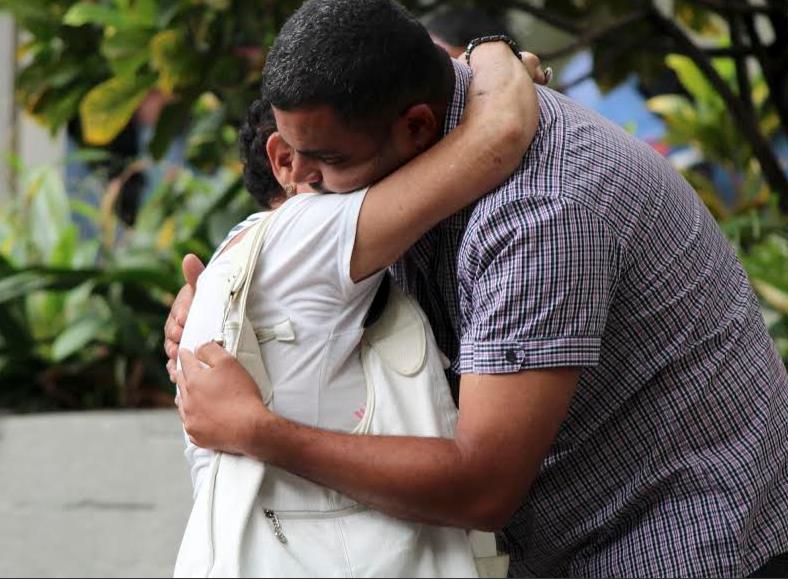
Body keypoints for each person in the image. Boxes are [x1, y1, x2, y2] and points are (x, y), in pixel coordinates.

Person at [166, 0, 788, 576]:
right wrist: (235, 301)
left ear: (418, 127)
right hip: (571, 529)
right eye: (286, 151)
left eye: (328, 161)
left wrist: (258, 431)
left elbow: (482, 481)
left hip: (689, 536)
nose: (300, 183)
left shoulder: (539, 213)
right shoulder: (429, 99)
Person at [173, 41, 545, 577]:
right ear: (289, 163)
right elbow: (498, 135)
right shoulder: (316, 227)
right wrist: (494, 53)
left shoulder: (241, 255)